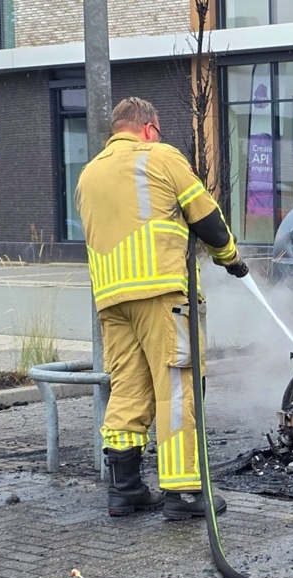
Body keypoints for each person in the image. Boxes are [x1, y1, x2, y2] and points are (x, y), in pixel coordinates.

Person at [76, 97, 248, 520]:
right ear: (149, 128)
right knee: (177, 387)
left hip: (112, 300)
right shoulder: (161, 156)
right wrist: (231, 258)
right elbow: (206, 218)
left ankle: (126, 490)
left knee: (129, 387)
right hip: (161, 293)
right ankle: (184, 493)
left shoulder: (88, 173)